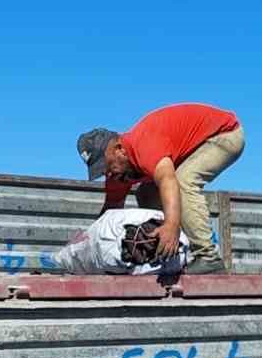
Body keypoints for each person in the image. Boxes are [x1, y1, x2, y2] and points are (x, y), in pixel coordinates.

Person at [77, 104, 244, 274]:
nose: (107, 172)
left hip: (223, 134)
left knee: (182, 181)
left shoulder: (144, 145)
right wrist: (87, 242)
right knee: (146, 192)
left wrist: (171, 225)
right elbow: (110, 212)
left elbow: (168, 181)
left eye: (107, 165)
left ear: (119, 149)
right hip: (190, 148)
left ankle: (208, 257)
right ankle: (168, 251)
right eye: (100, 170)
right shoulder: (117, 174)